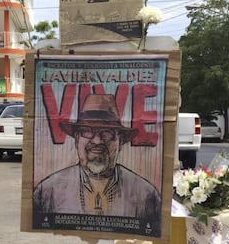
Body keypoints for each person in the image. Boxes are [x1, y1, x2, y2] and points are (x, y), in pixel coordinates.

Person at [33, 94, 161, 219]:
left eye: (107, 133)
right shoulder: (47, 191)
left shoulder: (147, 195)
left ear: (120, 142)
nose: (97, 141)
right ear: (77, 139)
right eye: (87, 131)